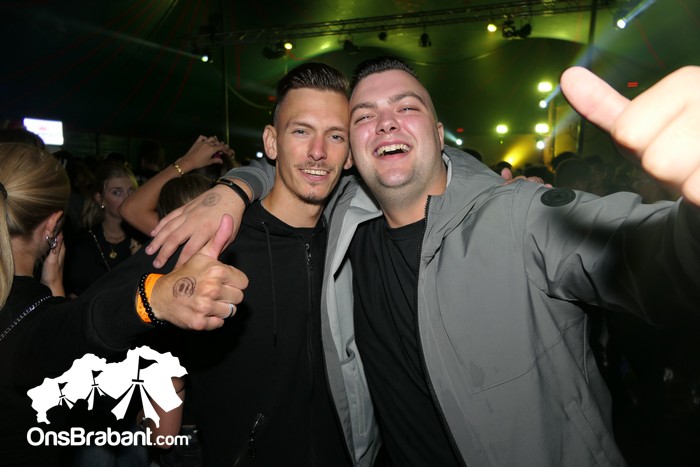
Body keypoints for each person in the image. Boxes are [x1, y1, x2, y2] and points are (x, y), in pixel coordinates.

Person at [0, 143, 247, 466]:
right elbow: (76, 332)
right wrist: (154, 298)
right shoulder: (37, 314)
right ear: (53, 225)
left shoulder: (34, 311)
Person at [120, 135, 233, 236]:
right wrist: (233, 168)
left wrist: (187, 161)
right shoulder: (237, 223)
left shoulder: (183, 230)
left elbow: (131, 209)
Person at [64, 162, 141, 296]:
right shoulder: (83, 242)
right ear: (100, 199)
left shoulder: (143, 239)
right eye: (117, 192)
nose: (127, 198)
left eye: (131, 190)